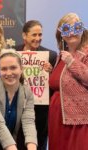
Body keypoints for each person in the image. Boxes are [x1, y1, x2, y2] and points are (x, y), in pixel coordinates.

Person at [14, 20, 57, 150]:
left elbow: (55, 83)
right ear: (24, 36)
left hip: (41, 109)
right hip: (18, 105)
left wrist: (50, 72)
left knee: (39, 141)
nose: (38, 38)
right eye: (34, 35)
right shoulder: (13, 52)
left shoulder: (51, 55)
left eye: (40, 35)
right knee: (18, 140)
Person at [48, 13, 88, 150]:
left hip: (78, 119)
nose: (71, 33)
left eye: (76, 27)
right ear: (61, 34)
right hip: (57, 116)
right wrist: (50, 72)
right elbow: (59, 82)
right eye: (66, 29)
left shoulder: (86, 53)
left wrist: (72, 62)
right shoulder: (61, 54)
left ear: (82, 30)